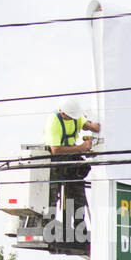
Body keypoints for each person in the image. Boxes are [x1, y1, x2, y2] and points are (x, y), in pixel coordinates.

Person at [44, 97, 100, 230]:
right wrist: (81, 147)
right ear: (63, 113)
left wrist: (93, 126)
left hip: (70, 158)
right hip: (54, 160)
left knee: (77, 190)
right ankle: (48, 226)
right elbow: (55, 150)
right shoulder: (54, 121)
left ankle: (79, 226)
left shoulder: (75, 116)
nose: (73, 119)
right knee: (52, 194)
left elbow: (87, 125)